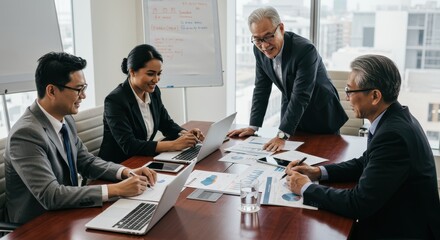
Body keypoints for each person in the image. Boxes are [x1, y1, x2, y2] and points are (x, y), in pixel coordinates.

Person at [285, 54, 440, 239]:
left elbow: (358, 204)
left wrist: (306, 188)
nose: (346, 97)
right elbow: (365, 162)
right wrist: (318, 172)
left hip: (404, 231)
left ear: (375, 96)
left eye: (350, 91)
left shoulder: (393, 135)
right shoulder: (393, 118)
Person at [4, 52, 157, 224]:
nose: (83, 96)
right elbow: (51, 195)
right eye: (78, 89)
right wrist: (115, 190)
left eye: (84, 88)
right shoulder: (26, 134)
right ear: (52, 91)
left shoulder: (65, 119)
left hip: (67, 212)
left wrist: (125, 172)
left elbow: (86, 161)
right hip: (36, 225)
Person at [228, 6, 348, 152]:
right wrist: (253, 126)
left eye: (268, 36)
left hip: (320, 113)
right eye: (258, 39)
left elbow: (301, 94)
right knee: (288, 164)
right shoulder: (258, 50)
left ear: (281, 29)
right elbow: (261, 88)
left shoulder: (305, 50)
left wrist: (282, 134)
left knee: (321, 164)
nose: (264, 45)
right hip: (292, 117)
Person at [99, 44, 204, 164]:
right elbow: (129, 145)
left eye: (159, 74)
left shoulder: (153, 92)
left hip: (142, 159)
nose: (156, 79)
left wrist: (186, 134)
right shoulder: (115, 100)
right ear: (132, 72)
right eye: (150, 74)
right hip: (119, 165)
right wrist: (174, 145)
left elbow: (166, 123)